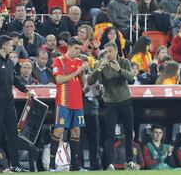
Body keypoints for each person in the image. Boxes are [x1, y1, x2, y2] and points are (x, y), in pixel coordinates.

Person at [0, 35, 34, 173]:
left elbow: (14, 79)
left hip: (9, 103)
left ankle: (15, 165)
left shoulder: (9, 61)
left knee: (13, 134)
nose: (12, 47)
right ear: (4, 46)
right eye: (10, 44)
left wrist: (26, 90)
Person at [88, 41, 137, 171]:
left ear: (115, 51)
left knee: (128, 132)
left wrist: (119, 70)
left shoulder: (124, 62)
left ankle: (130, 161)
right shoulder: (101, 64)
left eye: (110, 51)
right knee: (109, 134)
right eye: (106, 52)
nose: (108, 54)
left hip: (125, 100)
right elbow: (90, 81)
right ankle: (110, 164)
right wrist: (99, 69)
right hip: (110, 102)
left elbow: (131, 78)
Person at [49, 37, 88, 171]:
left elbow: (83, 83)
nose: (78, 51)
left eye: (80, 49)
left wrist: (83, 72)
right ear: (69, 47)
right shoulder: (58, 60)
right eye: (76, 48)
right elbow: (59, 79)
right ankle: (52, 164)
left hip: (77, 102)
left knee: (76, 131)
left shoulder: (79, 61)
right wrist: (77, 71)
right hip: (64, 101)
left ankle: (75, 166)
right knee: (59, 130)